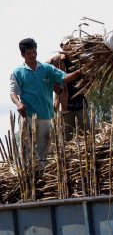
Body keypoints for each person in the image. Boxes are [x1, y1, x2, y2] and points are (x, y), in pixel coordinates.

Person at [10, 38, 80, 168]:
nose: (33, 55)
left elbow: (64, 77)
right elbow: (13, 93)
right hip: (28, 116)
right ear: (23, 55)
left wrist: (77, 73)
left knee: (44, 150)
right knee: (26, 148)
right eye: (29, 53)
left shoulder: (47, 69)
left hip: (46, 116)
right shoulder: (18, 72)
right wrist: (19, 104)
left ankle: (41, 176)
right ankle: (26, 175)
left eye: (34, 52)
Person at [49, 38, 87, 140]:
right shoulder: (57, 60)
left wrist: (86, 81)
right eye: (66, 45)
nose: (69, 47)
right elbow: (43, 69)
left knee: (86, 137)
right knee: (65, 139)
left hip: (80, 105)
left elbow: (90, 76)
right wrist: (52, 84)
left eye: (72, 44)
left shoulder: (81, 60)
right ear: (62, 46)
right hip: (65, 107)